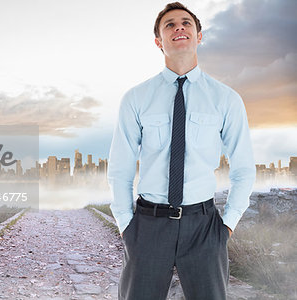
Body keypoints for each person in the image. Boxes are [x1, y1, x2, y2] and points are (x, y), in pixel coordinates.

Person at [107, 2, 256, 300]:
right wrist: (126, 224)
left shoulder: (226, 99)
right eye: (169, 25)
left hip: (204, 227)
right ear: (158, 42)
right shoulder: (136, 98)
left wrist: (227, 225)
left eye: (186, 23)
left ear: (199, 36)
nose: (179, 28)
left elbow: (244, 166)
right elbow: (120, 166)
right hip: (148, 226)